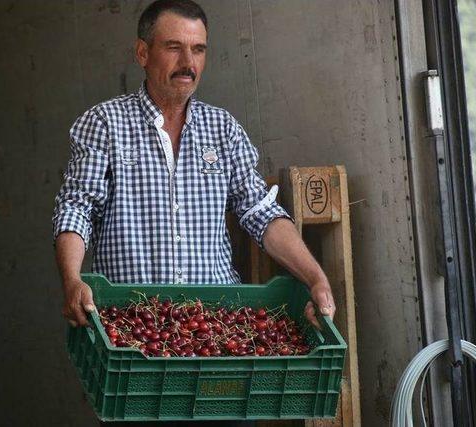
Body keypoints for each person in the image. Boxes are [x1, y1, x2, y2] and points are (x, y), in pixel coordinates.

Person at [53, 2, 336, 421]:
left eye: (198, 50)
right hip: (136, 337)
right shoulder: (106, 124)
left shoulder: (222, 130)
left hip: (217, 336)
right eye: (174, 47)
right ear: (143, 53)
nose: (188, 63)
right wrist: (72, 280)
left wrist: (316, 278)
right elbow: (77, 207)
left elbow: (261, 212)